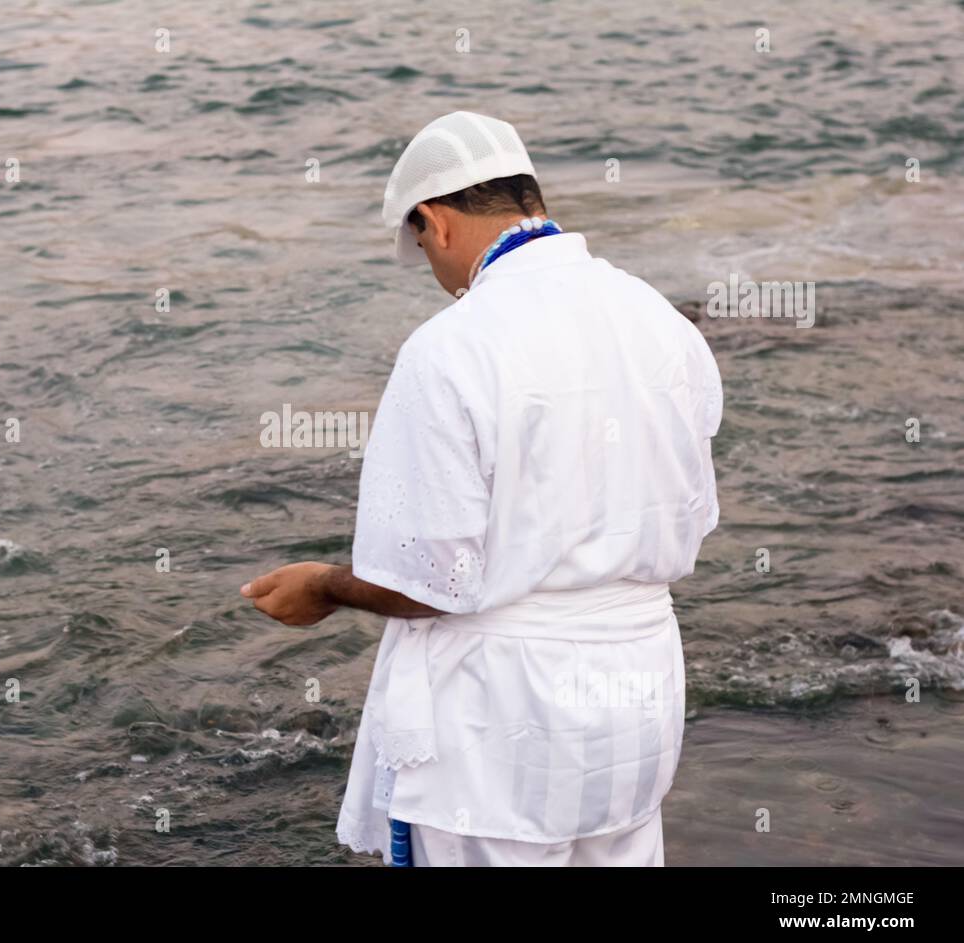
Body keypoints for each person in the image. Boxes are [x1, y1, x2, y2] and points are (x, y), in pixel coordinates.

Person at [241, 111, 723, 866]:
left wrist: (326, 585)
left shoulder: (451, 348)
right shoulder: (662, 322)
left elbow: (431, 582)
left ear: (433, 222)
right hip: (636, 708)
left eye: (423, 248)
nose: (436, 276)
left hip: (500, 733)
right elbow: (691, 518)